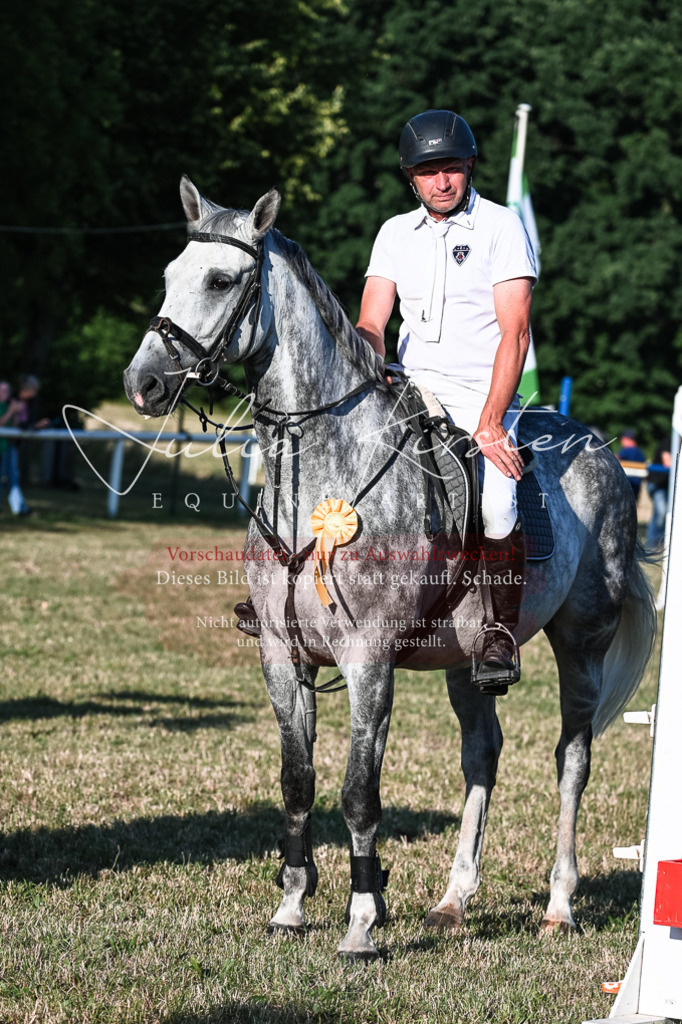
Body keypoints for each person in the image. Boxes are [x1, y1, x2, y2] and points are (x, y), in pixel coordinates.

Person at [355, 108, 537, 693]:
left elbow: (516, 333)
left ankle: (498, 633)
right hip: (406, 387)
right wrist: (365, 363)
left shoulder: (502, 226)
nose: (442, 182)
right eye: (428, 171)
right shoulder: (393, 233)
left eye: (451, 169)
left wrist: (490, 422)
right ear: (410, 176)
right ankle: (290, 593)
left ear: (469, 167)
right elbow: (372, 321)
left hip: (477, 393)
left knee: (498, 499)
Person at [0, 380, 31, 515]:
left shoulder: (9, 406)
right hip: (2, 448)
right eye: (2, 390)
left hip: (8, 446)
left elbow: (15, 428)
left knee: (12, 477)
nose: (5, 393)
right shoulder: (6, 408)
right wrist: (12, 410)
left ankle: (19, 508)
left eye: (7, 390)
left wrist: (18, 413)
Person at [646, 437, 671, 551]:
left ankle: (659, 543)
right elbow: (668, 462)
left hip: (667, 485)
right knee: (661, 512)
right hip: (657, 482)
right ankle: (652, 544)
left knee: (662, 514)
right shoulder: (669, 441)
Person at [616, 430, 647, 501]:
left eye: (623, 439)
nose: (621, 441)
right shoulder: (640, 452)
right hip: (637, 485)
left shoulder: (626, 450)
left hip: (625, 484)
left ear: (628, 439)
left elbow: (614, 459)